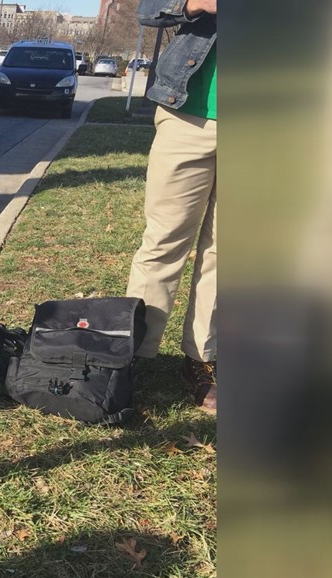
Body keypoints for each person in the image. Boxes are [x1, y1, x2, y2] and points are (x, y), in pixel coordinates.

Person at [126, 0, 217, 413]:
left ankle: (201, 359)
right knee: (164, 240)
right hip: (189, 116)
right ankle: (133, 356)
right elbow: (149, 10)